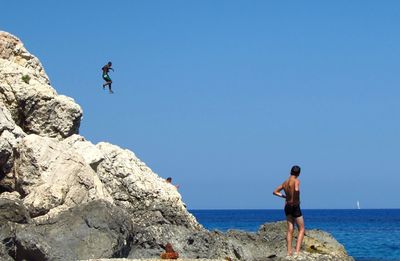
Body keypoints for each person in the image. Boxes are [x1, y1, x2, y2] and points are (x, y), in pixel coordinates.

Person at [273, 165, 305, 256]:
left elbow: (275, 192)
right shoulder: (296, 180)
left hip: (287, 206)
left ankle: (288, 252)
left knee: (290, 229)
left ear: (290, 171)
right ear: (299, 173)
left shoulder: (285, 182)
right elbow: (296, 189)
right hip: (294, 206)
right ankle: (297, 252)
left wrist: (284, 196)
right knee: (301, 229)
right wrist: (296, 200)